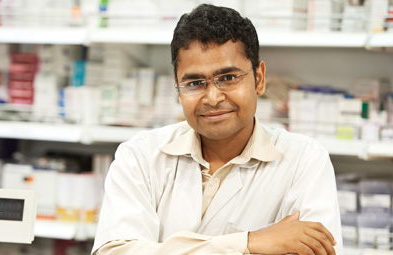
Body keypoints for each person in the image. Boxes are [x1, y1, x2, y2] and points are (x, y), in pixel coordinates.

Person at [92, 4, 343, 255]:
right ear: (178, 88)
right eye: (194, 83)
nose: (212, 97)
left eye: (228, 78)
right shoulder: (141, 156)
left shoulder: (305, 161)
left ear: (259, 79)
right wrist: (248, 243)